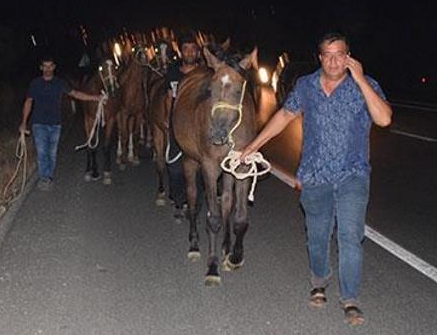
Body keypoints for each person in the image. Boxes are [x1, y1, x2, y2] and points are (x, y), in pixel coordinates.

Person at [239, 32, 392, 327]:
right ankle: (319, 281)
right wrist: (253, 146)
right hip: (314, 175)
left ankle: (350, 298)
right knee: (318, 235)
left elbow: (384, 119)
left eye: (340, 54)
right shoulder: (306, 86)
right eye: (328, 54)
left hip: (353, 175)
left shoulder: (366, 85)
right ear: (320, 57)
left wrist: (360, 79)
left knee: (350, 237)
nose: (334, 61)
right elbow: (284, 115)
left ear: (349, 56)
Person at [19, 56, 104, 191]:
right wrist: (24, 122)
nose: (47, 69)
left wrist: (96, 97)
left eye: (50, 66)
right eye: (45, 66)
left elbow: (75, 94)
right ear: (41, 68)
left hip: (55, 124)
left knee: (52, 153)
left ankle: (49, 176)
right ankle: (44, 178)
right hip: (38, 123)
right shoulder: (35, 84)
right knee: (42, 152)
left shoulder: (60, 83)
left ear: (54, 67)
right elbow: (28, 102)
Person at [165, 33, 203, 222]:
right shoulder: (173, 72)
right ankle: (178, 201)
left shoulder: (205, 73)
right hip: (177, 126)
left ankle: (192, 203)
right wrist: (167, 120)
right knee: (174, 168)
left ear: (197, 52)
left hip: (197, 128)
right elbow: (167, 97)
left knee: (197, 169)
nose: (189, 52)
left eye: (193, 49)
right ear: (181, 51)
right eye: (186, 49)